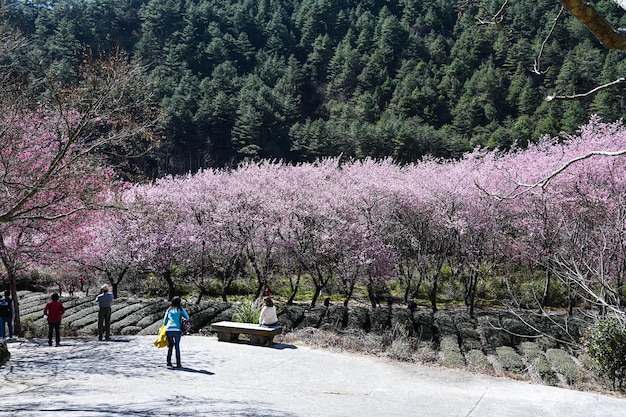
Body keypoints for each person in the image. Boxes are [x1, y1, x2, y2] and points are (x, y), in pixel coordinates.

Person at [163, 296, 189, 368]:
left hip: (169, 329)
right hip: (177, 329)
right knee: (177, 346)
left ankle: (168, 362)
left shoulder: (169, 310)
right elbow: (187, 317)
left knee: (170, 346)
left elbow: (164, 321)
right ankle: (178, 363)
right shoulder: (180, 309)